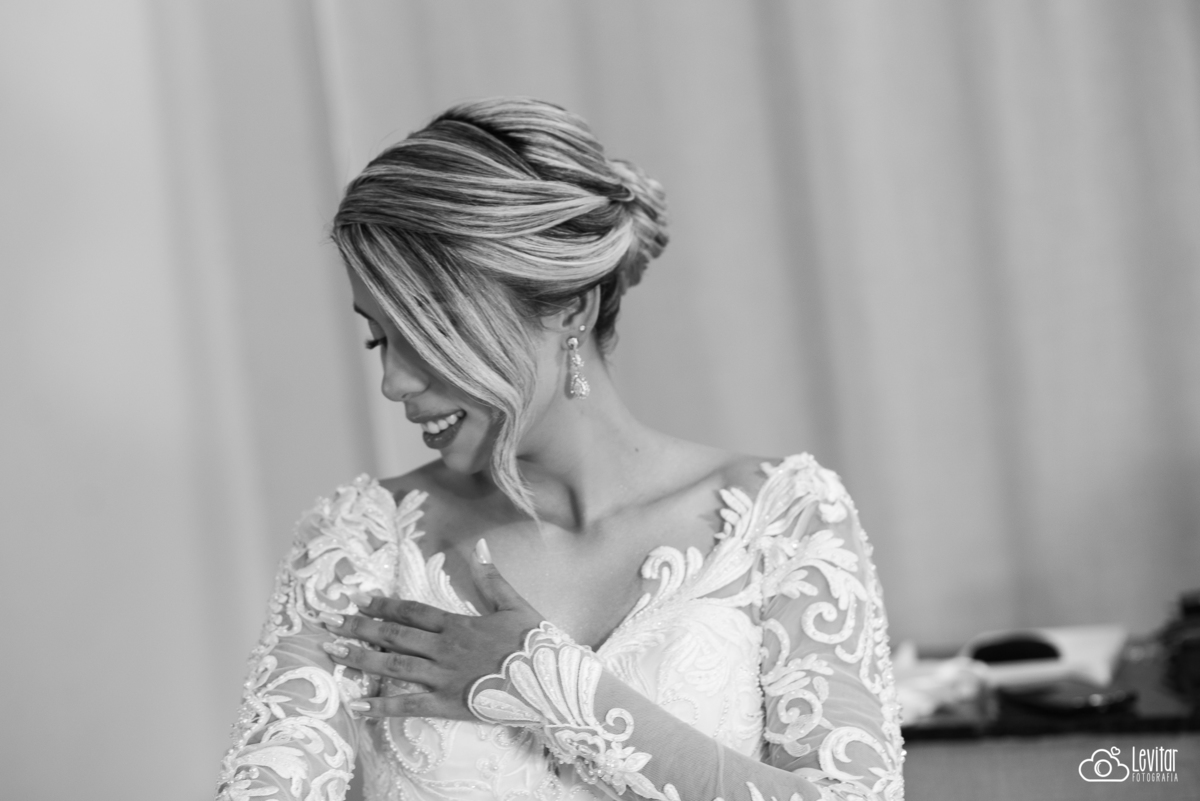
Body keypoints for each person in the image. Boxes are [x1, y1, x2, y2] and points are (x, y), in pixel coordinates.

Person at [217, 98, 904, 801]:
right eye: (378, 338)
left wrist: (543, 682)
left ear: (571, 305)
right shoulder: (361, 541)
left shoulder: (782, 519)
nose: (394, 381)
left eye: (427, 330)